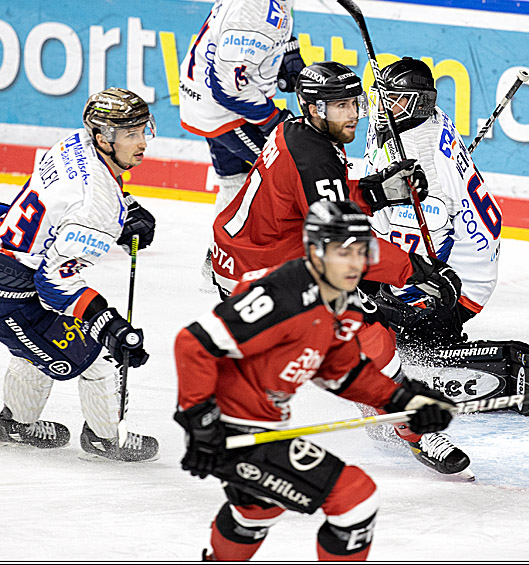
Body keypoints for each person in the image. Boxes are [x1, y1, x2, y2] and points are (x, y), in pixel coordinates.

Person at [210, 61, 473, 477]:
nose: (353, 114)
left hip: (247, 258)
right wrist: (416, 270)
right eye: (341, 106)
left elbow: (314, 200)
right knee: (369, 329)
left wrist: (375, 192)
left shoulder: (300, 133)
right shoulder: (314, 156)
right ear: (315, 108)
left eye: (355, 103)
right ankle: (410, 426)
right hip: (263, 274)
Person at [174, 199, 457, 561]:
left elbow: (342, 372)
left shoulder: (341, 300)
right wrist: (200, 422)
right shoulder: (281, 295)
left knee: (258, 509)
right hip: (230, 432)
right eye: (343, 252)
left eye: (361, 251)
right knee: (354, 498)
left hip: (265, 425)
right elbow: (193, 344)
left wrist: (401, 400)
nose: (354, 263)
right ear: (316, 251)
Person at [363, 57, 529, 417]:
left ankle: (520, 374)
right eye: (383, 99)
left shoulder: (423, 165)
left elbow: (422, 251)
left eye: (394, 101)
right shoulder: (416, 123)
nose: (383, 109)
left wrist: (394, 299)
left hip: (454, 286)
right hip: (451, 259)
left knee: (387, 338)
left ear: (418, 104)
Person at [0, 88, 158, 461]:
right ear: (104, 139)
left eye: (142, 130)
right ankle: (106, 438)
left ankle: (16, 424)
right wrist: (108, 324)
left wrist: (125, 207)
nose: (142, 142)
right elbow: (55, 284)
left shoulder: (74, 143)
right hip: (7, 294)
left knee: (37, 348)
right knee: (99, 354)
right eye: (131, 134)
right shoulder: (96, 207)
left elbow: (71, 197)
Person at [178, 0, 306, 288]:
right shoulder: (249, 7)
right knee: (286, 173)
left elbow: (278, 21)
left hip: (210, 96)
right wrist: (271, 119)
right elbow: (227, 87)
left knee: (236, 183)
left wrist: (289, 54)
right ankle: (273, 265)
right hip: (223, 109)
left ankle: (217, 264)